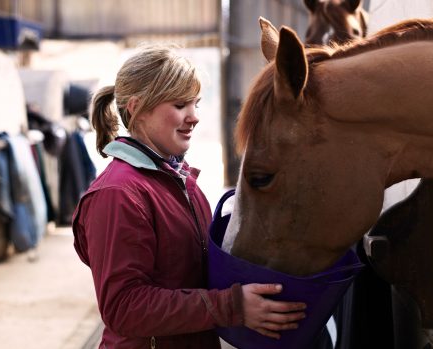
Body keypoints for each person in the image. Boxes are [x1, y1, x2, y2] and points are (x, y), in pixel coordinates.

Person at [72, 44, 307, 349]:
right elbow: (124, 307)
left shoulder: (180, 181)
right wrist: (233, 306)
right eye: (180, 105)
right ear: (136, 108)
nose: (194, 117)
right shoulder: (118, 194)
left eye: (196, 103)